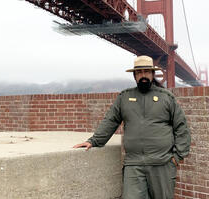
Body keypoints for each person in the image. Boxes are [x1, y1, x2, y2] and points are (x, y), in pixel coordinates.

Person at [73, 55, 191, 199]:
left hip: (162, 164)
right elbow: (110, 121)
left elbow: (181, 127)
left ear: (153, 74)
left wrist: (177, 156)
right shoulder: (124, 97)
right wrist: (93, 141)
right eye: (139, 72)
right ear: (134, 76)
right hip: (134, 165)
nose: (143, 76)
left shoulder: (166, 97)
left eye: (147, 72)